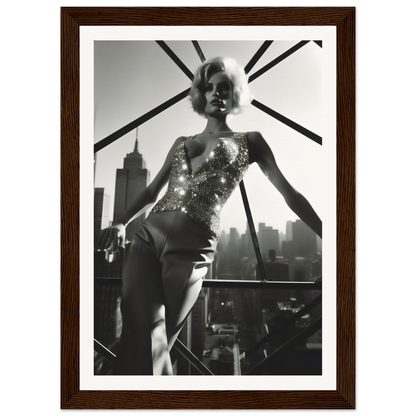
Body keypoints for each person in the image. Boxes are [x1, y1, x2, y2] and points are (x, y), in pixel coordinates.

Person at [97, 57, 322, 375]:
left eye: (225, 87)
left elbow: (291, 195)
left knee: (155, 339)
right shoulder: (181, 142)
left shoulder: (251, 141)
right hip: (147, 235)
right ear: (200, 95)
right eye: (209, 87)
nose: (216, 93)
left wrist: (338, 242)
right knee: (137, 328)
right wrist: (121, 222)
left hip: (194, 240)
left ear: (236, 94)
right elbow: (151, 193)